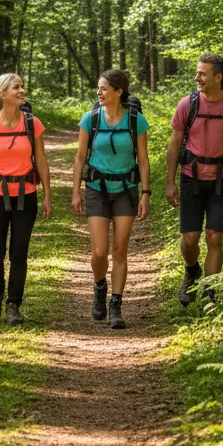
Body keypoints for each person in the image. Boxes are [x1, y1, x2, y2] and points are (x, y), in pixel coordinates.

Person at [167, 53, 223, 304]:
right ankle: (192, 270)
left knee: (214, 236)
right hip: (190, 178)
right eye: (197, 73)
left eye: (202, 74)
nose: (197, 78)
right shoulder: (187, 104)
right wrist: (170, 181)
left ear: (218, 77)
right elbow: (174, 144)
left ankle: (210, 291)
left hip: (222, 179)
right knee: (189, 239)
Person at [0, 73, 52, 325]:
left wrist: (47, 195)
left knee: (19, 253)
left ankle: (13, 303)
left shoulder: (33, 124)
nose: (21, 90)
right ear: (2, 93)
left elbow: (41, 160)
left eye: (22, 86)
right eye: (16, 87)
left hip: (26, 196)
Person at [71, 70, 150, 330]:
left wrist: (146, 193)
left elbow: (143, 159)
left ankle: (116, 304)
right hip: (97, 188)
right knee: (99, 251)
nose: (99, 93)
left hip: (126, 189)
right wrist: (75, 192)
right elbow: (80, 158)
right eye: (98, 88)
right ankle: (99, 287)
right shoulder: (90, 119)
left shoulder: (136, 120)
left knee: (119, 249)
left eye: (104, 88)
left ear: (118, 92)